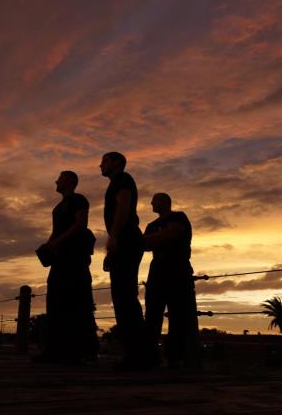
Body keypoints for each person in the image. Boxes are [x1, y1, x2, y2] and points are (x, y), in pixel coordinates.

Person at [100, 152, 157, 370]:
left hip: (127, 240)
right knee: (123, 296)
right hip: (124, 241)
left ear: (116, 162)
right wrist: (111, 250)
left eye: (104, 161)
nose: (100, 165)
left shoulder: (123, 179)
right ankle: (141, 354)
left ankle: (140, 356)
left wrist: (113, 237)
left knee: (124, 297)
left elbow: (123, 207)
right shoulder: (117, 182)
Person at [36, 171, 96, 363]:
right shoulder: (57, 207)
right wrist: (48, 246)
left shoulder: (79, 200)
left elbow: (81, 224)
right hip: (60, 258)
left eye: (60, 178)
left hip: (76, 256)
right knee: (55, 299)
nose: (56, 180)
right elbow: (55, 231)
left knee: (78, 300)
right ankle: (55, 349)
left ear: (70, 181)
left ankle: (82, 351)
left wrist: (58, 242)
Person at [143, 193, 201, 368]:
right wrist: (160, 237)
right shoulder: (151, 225)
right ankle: (151, 356)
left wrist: (157, 238)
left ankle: (175, 357)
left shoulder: (179, 217)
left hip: (178, 270)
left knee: (178, 315)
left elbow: (170, 235)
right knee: (152, 314)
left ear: (165, 202)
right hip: (157, 271)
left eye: (155, 199)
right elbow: (145, 245)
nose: (151, 202)